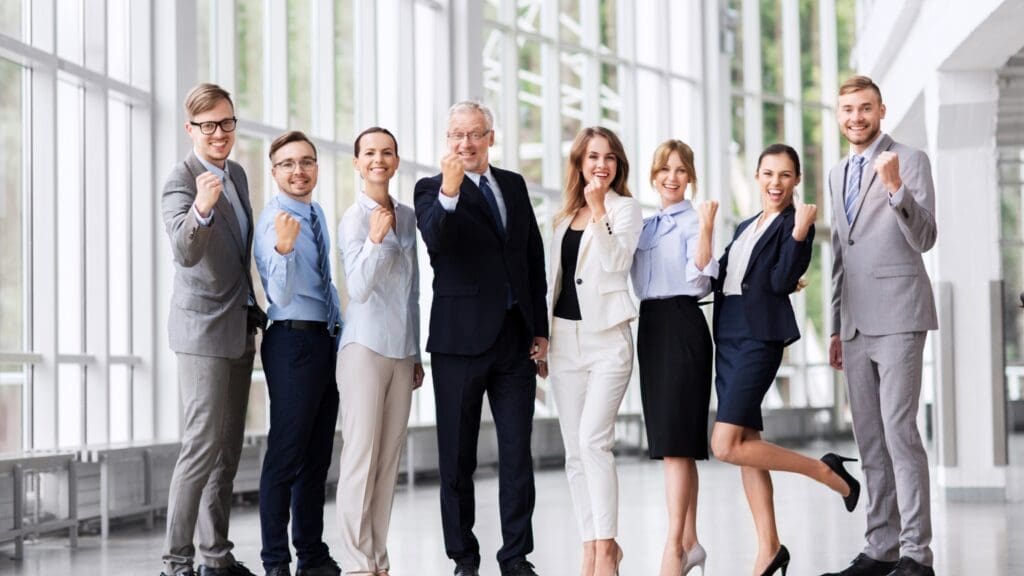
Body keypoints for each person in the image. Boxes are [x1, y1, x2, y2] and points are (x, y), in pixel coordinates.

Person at [709, 144, 859, 576]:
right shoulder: (743, 226)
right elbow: (724, 278)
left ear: (796, 181)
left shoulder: (798, 223)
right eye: (769, 174)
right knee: (745, 445)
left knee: (724, 445)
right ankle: (769, 548)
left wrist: (797, 235)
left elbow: (778, 281)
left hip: (759, 337)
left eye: (785, 175)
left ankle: (824, 471)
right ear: (757, 176)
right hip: (728, 337)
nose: (776, 183)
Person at [414, 101, 548, 576]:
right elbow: (436, 241)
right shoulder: (430, 189)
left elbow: (532, 256)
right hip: (458, 344)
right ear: (446, 140)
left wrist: (540, 330)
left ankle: (516, 557)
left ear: (492, 136)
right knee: (456, 457)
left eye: (474, 134)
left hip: (514, 340)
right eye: (456, 135)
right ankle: (463, 558)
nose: (465, 144)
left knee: (517, 454)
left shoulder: (512, 184)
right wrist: (450, 191)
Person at [822, 76, 938, 576]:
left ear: (881, 111)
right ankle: (881, 546)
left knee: (898, 434)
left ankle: (916, 554)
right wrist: (832, 326)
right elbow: (837, 254)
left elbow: (926, 237)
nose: (855, 117)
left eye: (864, 108)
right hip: (854, 322)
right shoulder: (835, 172)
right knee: (870, 440)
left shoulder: (909, 160)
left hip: (898, 315)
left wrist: (895, 188)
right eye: (847, 109)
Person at [160, 83, 265, 576]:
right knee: (200, 447)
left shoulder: (239, 175)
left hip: (239, 327)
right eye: (208, 126)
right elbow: (185, 251)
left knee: (226, 452)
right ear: (191, 129)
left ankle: (215, 557)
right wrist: (201, 207)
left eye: (226, 123)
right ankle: (176, 563)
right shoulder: (181, 180)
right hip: (202, 332)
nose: (219, 133)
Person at [546, 126, 641, 576]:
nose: (600, 164)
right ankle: (590, 543)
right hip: (564, 341)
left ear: (618, 164)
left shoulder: (625, 209)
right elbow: (554, 283)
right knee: (573, 451)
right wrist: (542, 338)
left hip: (608, 341)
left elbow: (617, 263)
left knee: (593, 441)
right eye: (592, 157)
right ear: (579, 164)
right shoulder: (562, 217)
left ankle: (607, 548)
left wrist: (601, 209)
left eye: (608, 157)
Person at [254, 130, 342, 576]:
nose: (298, 170)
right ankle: (275, 562)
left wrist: (340, 333)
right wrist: (284, 250)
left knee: (317, 456)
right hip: (292, 342)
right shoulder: (276, 221)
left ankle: (311, 554)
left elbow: (326, 284)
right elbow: (281, 293)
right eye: (287, 164)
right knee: (286, 455)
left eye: (306, 161)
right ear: (274, 173)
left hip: (324, 341)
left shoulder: (315, 213)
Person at [336, 127, 423, 576]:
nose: (378, 159)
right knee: (360, 457)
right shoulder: (353, 218)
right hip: (364, 349)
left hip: (400, 352)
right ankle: (355, 562)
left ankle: (378, 558)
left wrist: (416, 352)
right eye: (369, 153)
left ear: (396, 160)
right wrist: (373, 239)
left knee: (388, 460)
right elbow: (359, 288)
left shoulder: (408, 216)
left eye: (386, 152)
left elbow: (412, 292)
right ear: (357, 162)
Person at [629, 140, 717, 576]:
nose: (672, 176)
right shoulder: (642, 225)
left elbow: (701, 281)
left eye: (681, 170)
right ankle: (691, 542)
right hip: (651, 327)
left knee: (677, 446)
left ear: (691, 177)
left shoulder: (695, 221)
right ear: (653, 175)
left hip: (684, 325)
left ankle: (672, 550)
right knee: (674, 445)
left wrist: (705, 229)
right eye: (665, 169)